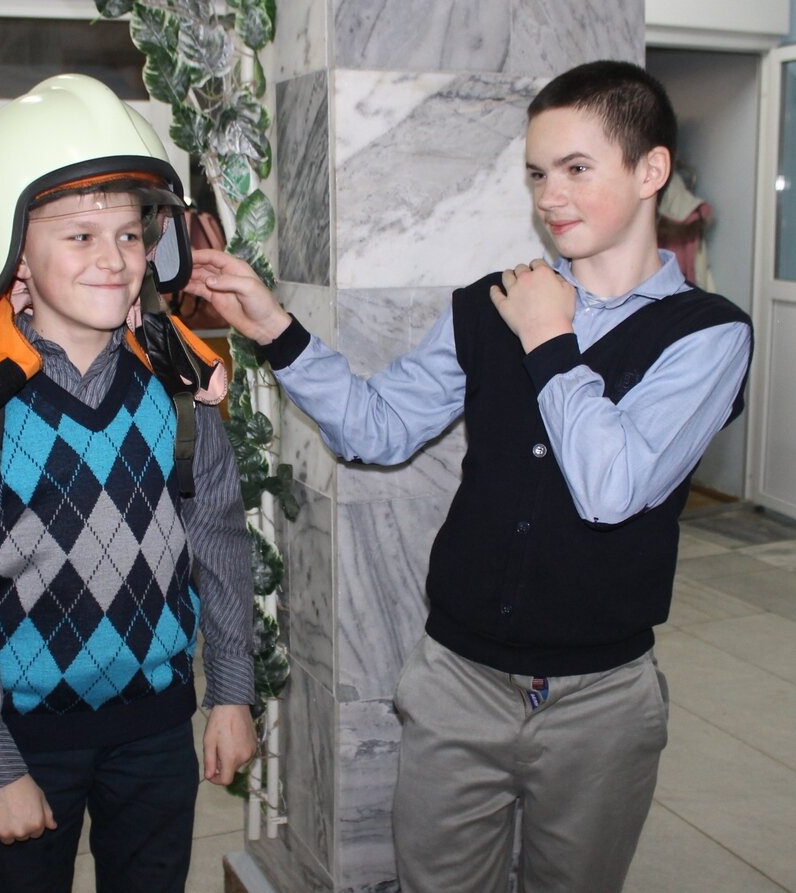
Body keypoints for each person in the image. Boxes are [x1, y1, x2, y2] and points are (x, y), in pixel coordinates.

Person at [187, 60, 754, 893]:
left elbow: (613, 488)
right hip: (458, 677)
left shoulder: (707, 333)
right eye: (536, 173)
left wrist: (549, 339)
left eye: (576, 168)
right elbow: (377, 428)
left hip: (601, 699)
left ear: (651, 171)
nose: (550, 196)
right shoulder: (491, 304)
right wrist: (274, 327)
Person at [0, 73, 256, 893]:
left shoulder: (179, 391)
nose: (114, 258)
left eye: (130, 233)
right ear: (14, 250)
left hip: (157, 729)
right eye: (80, 235)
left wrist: (232, 693)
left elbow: (221, 544)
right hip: (26, 740)